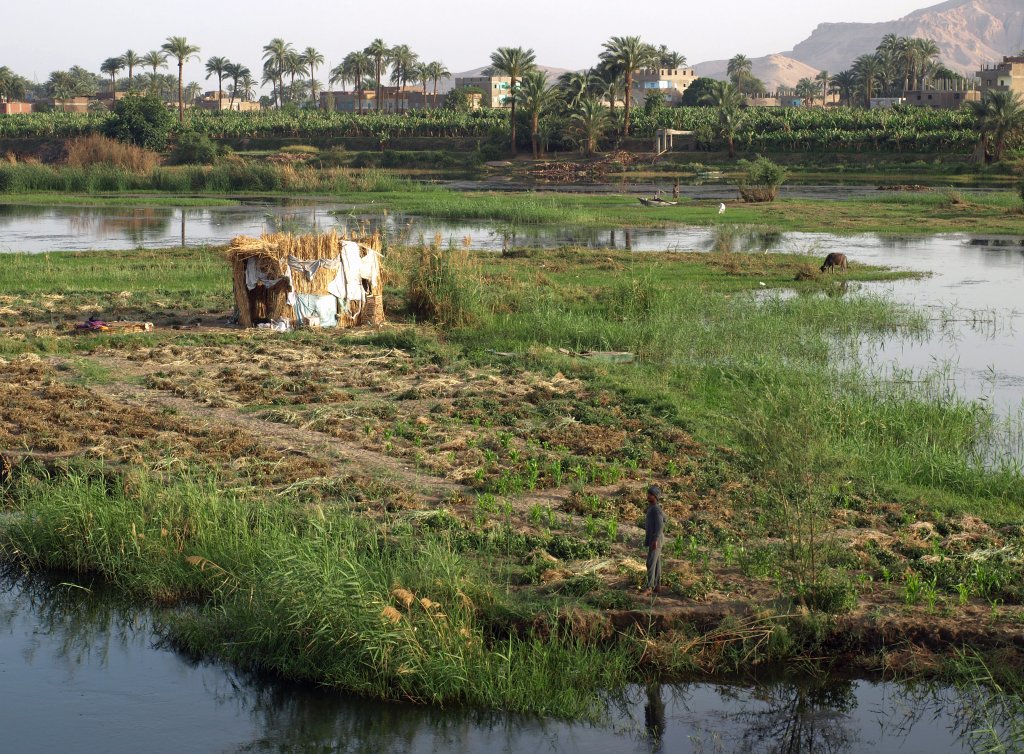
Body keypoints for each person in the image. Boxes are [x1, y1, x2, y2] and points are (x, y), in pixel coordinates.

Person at [642, 485, 665, 594]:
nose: (648, 496)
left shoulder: (656, 509)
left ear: (655, 497)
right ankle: (657, 586)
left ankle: (650, 587)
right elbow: (665, 519)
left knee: (650, 563)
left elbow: (660, 525)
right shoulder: (653, 508)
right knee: (656, 563)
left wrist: (655, 539)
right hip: (655, 539)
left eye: (650, 495)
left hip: (656, 540)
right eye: (648, 494)